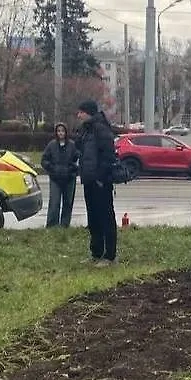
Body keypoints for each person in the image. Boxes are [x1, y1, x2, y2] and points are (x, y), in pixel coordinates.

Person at [74, 100, 117, 266]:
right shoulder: (86, 130)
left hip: (101, 182)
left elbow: (108, 156)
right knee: (93, 218)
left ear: (88, 112)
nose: (78, 115)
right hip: (89, 180)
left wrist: (100, 177)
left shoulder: (101, 128)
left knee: (105, 217)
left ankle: (110, 256)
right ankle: (96, 252)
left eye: (81, 112)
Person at [41, 123, 80, 228]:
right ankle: (52, 225)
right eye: (58, 131)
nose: (60, 133)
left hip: (69, 179)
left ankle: (64, 225)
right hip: (55, 179)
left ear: (66, 132)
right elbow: (44, 160)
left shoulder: (72, 145)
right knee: (54, 202)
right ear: (56, 133)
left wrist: (73, 170)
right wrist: (52, 168)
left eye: (62, 131)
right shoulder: (51, 145)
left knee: (67, 203)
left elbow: (78, 160)